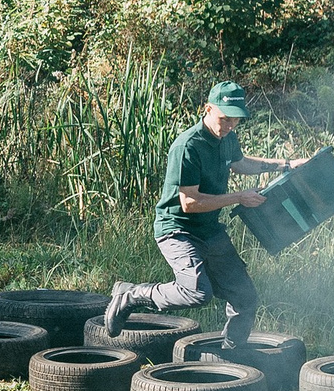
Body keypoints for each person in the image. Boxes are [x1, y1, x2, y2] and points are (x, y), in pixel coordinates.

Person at [102, 81, 297, 350]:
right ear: (207, 109)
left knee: (245, 296)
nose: (229, 126)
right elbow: (189, 203)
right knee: (197, 292)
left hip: (209, 229)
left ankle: (231, 355)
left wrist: (286, 165)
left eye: (235, 120)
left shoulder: (227, 137)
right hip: (177, 229)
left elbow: (240, 163)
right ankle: (132, 295)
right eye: (224, 118)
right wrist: (239, 197)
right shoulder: (187, 147)